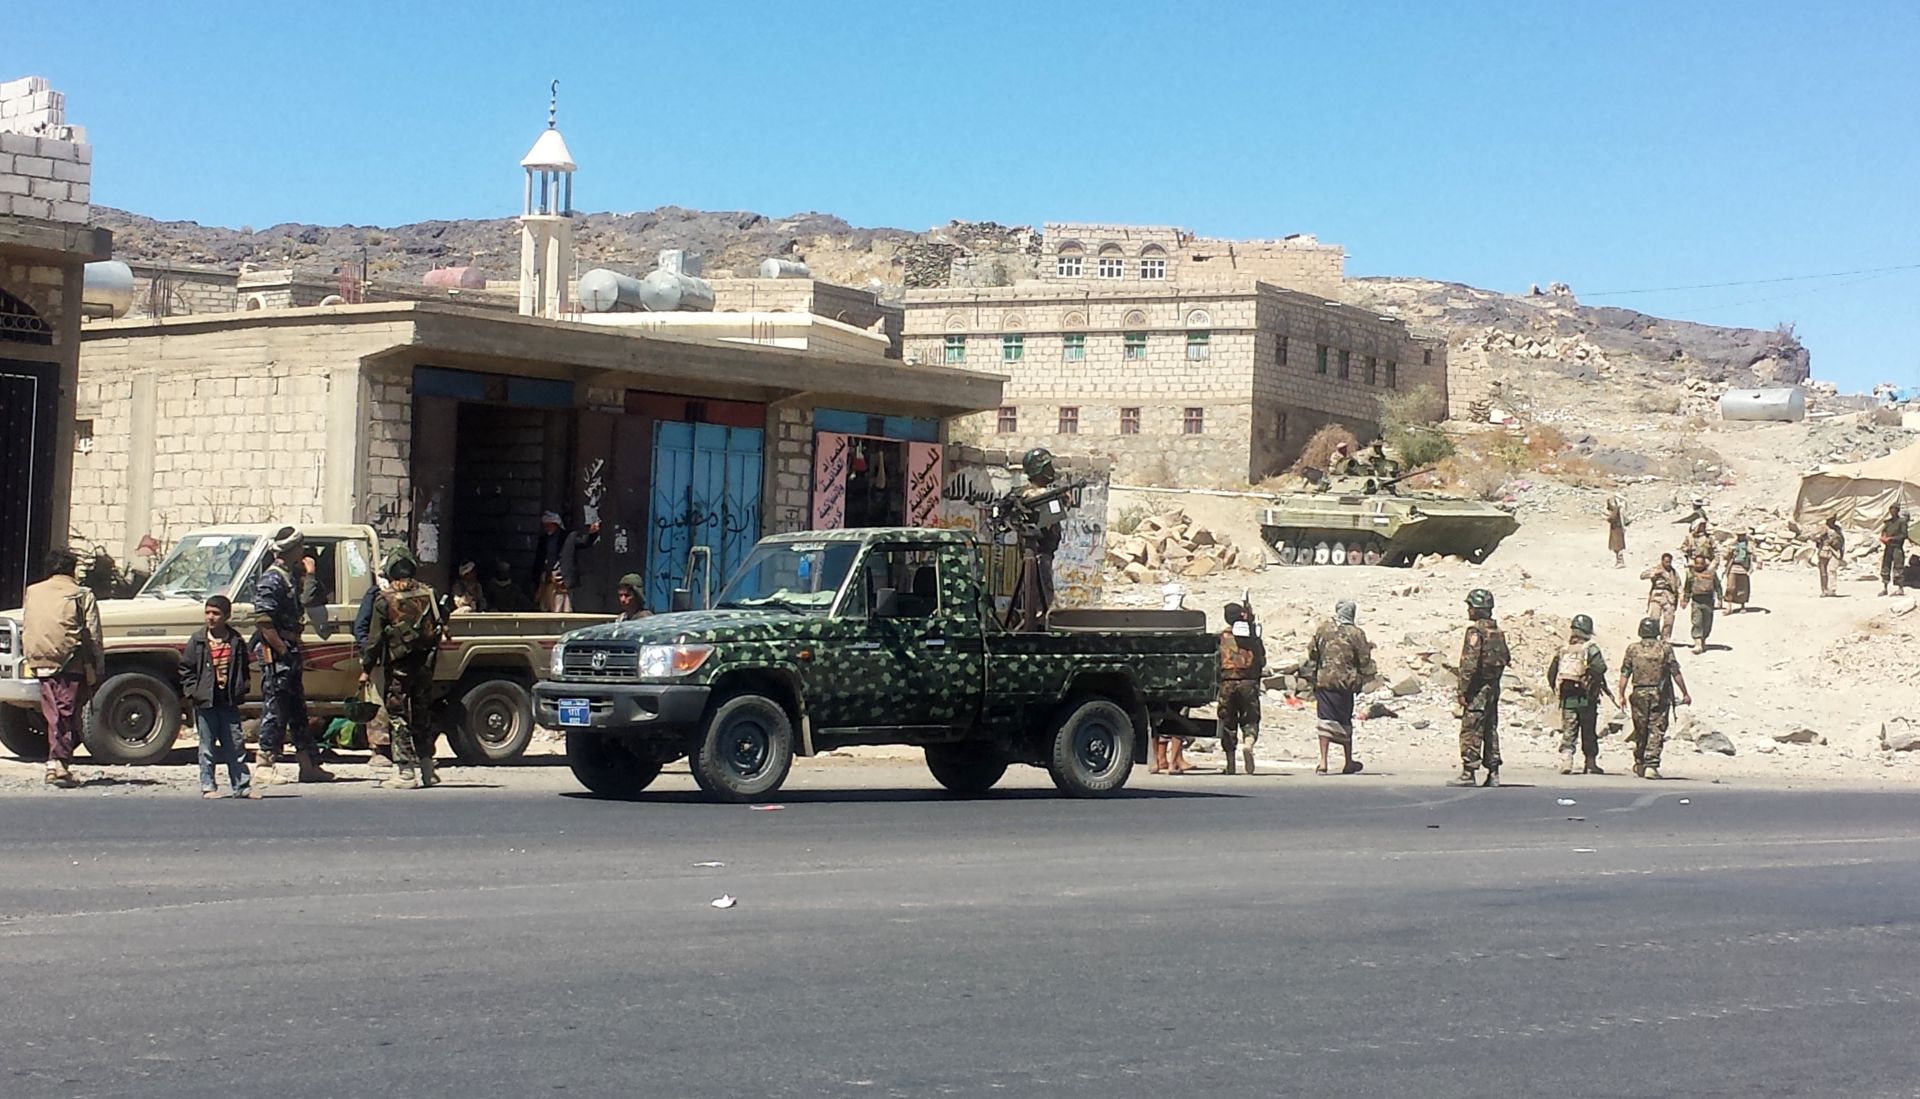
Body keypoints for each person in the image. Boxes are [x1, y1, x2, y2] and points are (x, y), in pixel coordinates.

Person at [252, 526, 333, 784]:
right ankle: (265, 762)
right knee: (275, 707)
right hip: (278, 654)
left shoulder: (290, 576)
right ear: (291, 549)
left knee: (297, 709)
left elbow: (310, 599)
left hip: (290, 650)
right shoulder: (272, 579)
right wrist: (282, 651)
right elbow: (264, 622)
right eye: (300, 546)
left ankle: (308, 765)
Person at [362, 545, 445, 790]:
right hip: (425, 665)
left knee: (397, 715)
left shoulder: (384, 599)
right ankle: (428, 770)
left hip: (399, 668)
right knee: (421, 713)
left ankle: (406, 771)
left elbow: (374, 639)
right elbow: (442, 621)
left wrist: (366, 667)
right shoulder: (428, 593)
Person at [20, 549, 103, 789]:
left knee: (53, 712)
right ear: (71, 568)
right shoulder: (81, 594)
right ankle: (58, 764)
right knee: (66, 712)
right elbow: (94, 634)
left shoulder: (33, 592)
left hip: (39, 660)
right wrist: (98, 667)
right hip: (71, 663)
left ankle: (55, 762)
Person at [179, 595, 255, 799]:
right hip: (205, 700)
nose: (210, 617)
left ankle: (241, 786)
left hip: (228, 700)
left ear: (227, 616)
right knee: (207, 746)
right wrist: (193, 692)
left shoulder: (235, 641)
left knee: (235, 744)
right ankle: (208, 786)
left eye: (216, 613)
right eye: (208, 613)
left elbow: (243, 668)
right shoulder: (198, 640)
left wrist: (242, 687)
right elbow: (186, 668)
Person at [1001, 448, 1074, 632]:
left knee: (1030, 597)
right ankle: (1037, 629)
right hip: (1039, 556)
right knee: (1041, 599)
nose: (1051, 470)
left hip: (1039, 555)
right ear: (1038, 471)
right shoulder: (1030, 495)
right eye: (1047, 467)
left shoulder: (1035, 494)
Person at [1304, 599, 1375, 776]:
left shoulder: (1323, 629)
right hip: (1346, 683)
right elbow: (1364, 659)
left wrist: (1311, 677)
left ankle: (1323, 762)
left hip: (1324, 681)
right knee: (1344, 721)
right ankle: (1348, 761)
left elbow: (1312, 652)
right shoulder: (1356, 633)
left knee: (1325, 720)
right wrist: (1367, 677)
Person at [1616, 616, 1691, 780]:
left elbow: (1625, 673)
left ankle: (1640, 761)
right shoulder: (1665, 648)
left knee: (1640, 728)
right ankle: (1651, 765)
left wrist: (1621, 694)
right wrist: (1685, 692)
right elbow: (1675, 672)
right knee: (1656, 729)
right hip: (1659, 694)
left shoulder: (1633, 649)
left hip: (1638, 693)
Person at [1449, 588, 1510, 787]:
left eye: (1470, 606)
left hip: (1478, 689)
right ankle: (1493, 772)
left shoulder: (1475, 632)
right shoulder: (1498, 632)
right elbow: (1505, 658)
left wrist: (1462, 690)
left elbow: (1469, 663)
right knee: (1490, 729)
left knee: (1471, 729)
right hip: (1493, 688)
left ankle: (1469, 772)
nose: (1468, 610)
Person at [1545, 614, 1619, 775]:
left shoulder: (1563, 649)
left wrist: (1558, 690)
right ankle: (1590, 763)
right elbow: (1600, 668)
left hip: (1567, 697)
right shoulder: (1590, 648)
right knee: (1588, 730)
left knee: (1569, 729)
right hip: (1587, 697)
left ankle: (1566, 760)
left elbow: (1551, 673)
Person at [351, 562, 395, 771]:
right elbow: (361, 626)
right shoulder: (377, 594)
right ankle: (379, 749)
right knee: (377, 702)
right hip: (379, 658)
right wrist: (369, 652)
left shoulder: (410, 594)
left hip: (401, 659)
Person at [1215, 603, 1266, 776]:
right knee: (1250, 718)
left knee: (1227, 722)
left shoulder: (1221, 637)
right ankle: (1248, 744)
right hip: (1249, 683)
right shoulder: (1253, 639)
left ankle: (1230, 765)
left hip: (1227, 683)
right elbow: (1262, 661)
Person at [534, 511, 603, 612]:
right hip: (549, 580)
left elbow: (584, 542)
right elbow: (540, 560)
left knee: (565, 609)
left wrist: (592, 533)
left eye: (549, 525)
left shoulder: (569, 537)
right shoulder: (544, 540)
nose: (547, 528)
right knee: (549, 609)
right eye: (545, 525)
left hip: (564, 579)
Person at [1685, 555, 1722, 654]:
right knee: (1697, 622)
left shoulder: (1711, 574)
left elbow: (1717, 586)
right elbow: (1687, 587)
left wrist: (1720, 599)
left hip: (1709, 602)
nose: (1699, 565)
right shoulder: (1691, 574)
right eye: (1697, 563)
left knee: (1707, 623)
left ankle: (1703, 640)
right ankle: (1697, 643)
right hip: (1696, 601)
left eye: (1701, 563)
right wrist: (1685, 599)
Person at [1641, 553, 1681, 640]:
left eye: (1669, 562)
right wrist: (1654, 573)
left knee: (1669, 620)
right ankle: (1653, 637)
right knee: (1654, 619)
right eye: (1666, 562)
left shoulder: (1673, 572)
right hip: (1656, 596)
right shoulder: (1657, 569)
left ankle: (1665, 639)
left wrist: (1681, 597)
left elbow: (1678, 586)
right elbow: (1643, 575)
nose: (1668, 564)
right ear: (1662, 561)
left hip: (1669, 597)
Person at [1878, 503, 1909, 597]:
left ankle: (1900, 588)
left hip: (1897, 547)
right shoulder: (1888, 522)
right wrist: (1883, 537)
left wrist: (1891, 538)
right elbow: (1884, 531)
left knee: (1898, 567)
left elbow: (1904, 535)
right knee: (1885, 567)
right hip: (1888, 547)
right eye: (1891, 510)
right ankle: (1885, 587)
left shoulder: (1901, 522)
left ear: (1897, 511)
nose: (1892, 512)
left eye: (1894, 510)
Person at [1722, 531, 1756, 612]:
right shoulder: (1732, 543)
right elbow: (1725, 555)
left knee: (1743, 587)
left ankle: (1742, 605)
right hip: (1733, 566)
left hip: (1744, 567)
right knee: (1730, 587)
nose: (1741, 536)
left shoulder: (1749, 544)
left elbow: (1754, 553)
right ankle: (1728, 606)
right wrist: (1730, 552)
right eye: (1739, 535)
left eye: (1743, 535)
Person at [1815, 516, 1845, 597]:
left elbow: (1841, 541)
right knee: (1823, 572)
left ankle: (1832, 589)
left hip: (1834, 552)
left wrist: (1842, 552)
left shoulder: (1837, 529)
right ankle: (1824, 590)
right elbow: (1816, 539)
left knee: (1832, 570)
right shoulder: (1822, 528)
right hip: (1823, 551)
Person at [1605, 495, 1628, 568]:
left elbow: (1612, 517)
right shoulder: (1620, 508)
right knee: (1618, 546)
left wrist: (1607, 518)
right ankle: (1619, 562)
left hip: (1616, 530)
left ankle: (1620, 562)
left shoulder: (1617, 509)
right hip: (1618, 529)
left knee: (1617, 546)